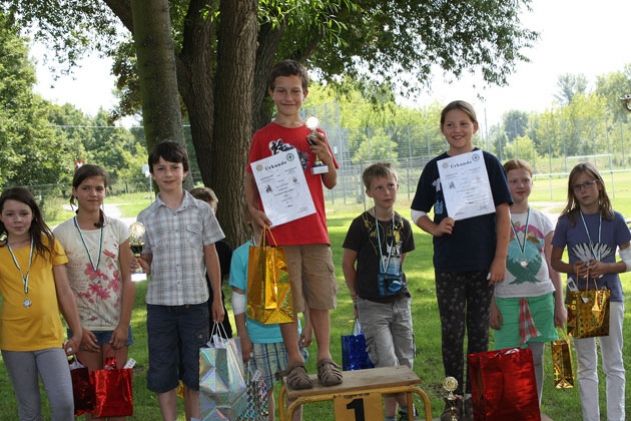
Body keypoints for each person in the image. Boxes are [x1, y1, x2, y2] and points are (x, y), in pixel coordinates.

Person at [410, 100, 511, 420]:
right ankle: (452, 401)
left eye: (463, 124)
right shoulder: (435, 167)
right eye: (450, 125)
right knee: (451, 336)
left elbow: (503, 213)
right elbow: (416, 213)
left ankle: (476, 401)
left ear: (475, 127)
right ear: (442, 129)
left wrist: (499, 258)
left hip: (483, 264)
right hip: (450, 266)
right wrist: (435, 228)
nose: (457, 130)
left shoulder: (488, 163)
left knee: (479, 336)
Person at [244, 59, 341, 389]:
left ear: (305, 93)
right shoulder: (263, 136)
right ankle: (295, 361)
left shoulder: (316, 134)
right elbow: (250, 179)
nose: (288, 97)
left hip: (314, 231)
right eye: (281, 91)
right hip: (279, 231)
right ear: (271, 93)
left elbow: (330, 181)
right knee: (287, 301)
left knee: (320, 296)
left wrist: (327, 158)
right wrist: (251, 210)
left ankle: (325, 357)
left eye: (295, 91)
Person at [137, 141, 225, 421]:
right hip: (160, 307)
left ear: (185, 172)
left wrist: (218, 298)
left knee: (195, 371)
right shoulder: (145, 217)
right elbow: (145, 258)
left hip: (195, 305)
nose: (168, 174)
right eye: (160, 168)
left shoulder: (201, 210)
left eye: (174, 167)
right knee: (163, 370)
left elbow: (211, 255)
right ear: (152, 173)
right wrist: (140, 263)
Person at [53, 164, 136, 420]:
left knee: (115, 401)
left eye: (99, 188)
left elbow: (128, 278)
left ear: (106, 191)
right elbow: (61, 288)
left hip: (115, 327)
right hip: (84, 329)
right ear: (75, 192)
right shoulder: (61, 233)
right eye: (86, 188)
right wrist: (76, 328)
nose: (93, 193)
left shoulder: (118, 229)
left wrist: (123, 325)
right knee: (93, 405)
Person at [551, 162, 630, 421]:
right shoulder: (567, 221)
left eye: (587, 184)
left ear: (598, 184)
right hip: (580, 297)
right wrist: (572, 267)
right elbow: (555, 261)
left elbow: (628, 261)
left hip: (612, 296)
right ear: (572, 191)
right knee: (586, 365)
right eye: (577, 186)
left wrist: (607, 266)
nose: (583, 190)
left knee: (613, 363)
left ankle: (616, 417)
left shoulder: (615, 219)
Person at [0, 187, 83, 420]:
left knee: (64, 402)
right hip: (14, 340)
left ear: (34, 215)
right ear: (1, 217)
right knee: (29, 408)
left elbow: (65, 292)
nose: (17, 220)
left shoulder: (48, 244)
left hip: (49, 336)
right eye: (10, 214)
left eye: (23, 213)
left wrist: (76, 330)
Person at [342, 163, 416, 421]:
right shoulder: (360, 225)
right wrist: (356, 296)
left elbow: (400, 259)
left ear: (397, 186)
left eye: (391, 186)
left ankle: (394, 413)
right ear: (369, 192)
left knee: (406, 360)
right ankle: (405, 411)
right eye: (379, 188)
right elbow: (347, 263)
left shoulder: (403, 225)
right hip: (372, 305)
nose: (387, 192)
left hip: (400, 302)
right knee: (386, 361)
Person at [489, 159, 566, 405]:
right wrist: (491, 304)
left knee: (536, 358)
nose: (520, 185)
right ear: (504, 184)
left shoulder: (543, 220)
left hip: (541, 297)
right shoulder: (494, 221)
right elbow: (487, 264)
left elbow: (553, 264)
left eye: (525, 180)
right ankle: (511, 409)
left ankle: (533, 408)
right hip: (506, 299)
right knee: (507, 359)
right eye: (513, 181)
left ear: (532, 182)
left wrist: (559, 303)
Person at [229, 216, 304, 421]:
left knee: (294, 392)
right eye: (258, 212)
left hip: (289, 339)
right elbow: (238, 297)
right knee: (261, 395)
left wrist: (308, 326)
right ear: (248, 218)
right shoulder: (240, 254)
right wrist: (243, 335)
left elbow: (300, 290)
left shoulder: (289, 250)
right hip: (257, 338)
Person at [190, 186, 234, 339]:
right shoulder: (183, 248)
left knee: (218, 359)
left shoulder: (223, 248)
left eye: (211, 212)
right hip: (189, 313)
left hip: (216, 311)